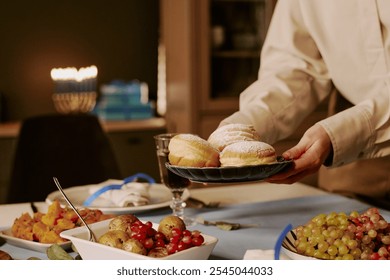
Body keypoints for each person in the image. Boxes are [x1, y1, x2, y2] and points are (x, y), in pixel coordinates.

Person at [215, 0, 390, 202]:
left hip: (350, 130)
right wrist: (246, 124)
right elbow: (296, 67)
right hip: (354, 136)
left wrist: (342, 133)